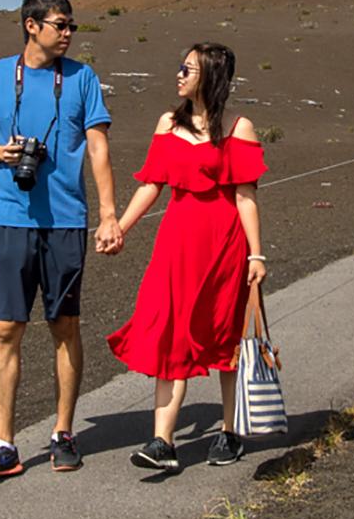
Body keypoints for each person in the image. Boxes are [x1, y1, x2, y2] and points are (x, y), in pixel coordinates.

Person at [0, 0, 121, 479]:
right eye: (60, 24)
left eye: (72, 25)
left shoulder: (82, 78)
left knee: (64, 325)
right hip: (9, 217)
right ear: (31, 25)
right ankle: (4, 444)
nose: (68, 33)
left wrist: (109, 213)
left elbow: (97, 147)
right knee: (6, 327)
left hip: (65, 221)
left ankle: (63, 432)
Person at [106, 41, 269, 472]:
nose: (178, 75)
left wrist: (256, 255)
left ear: (211, 76)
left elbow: (245, 196)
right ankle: (162, 441)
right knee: (169, 330)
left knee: (223, 334)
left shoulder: (239, 127)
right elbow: (150, 184)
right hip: (175, 243)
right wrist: (119, 228)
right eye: (180, 67)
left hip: (223, 245)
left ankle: (230, 431)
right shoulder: (167, 123)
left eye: (188, 69)